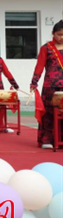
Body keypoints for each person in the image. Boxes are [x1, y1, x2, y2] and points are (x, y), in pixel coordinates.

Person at [31, 20, 63, 149]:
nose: (62, 37)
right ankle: (47, 139)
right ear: (53, 33)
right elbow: (39, 66)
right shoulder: (46, 48)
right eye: (59, 34)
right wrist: (34, 82)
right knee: (49, 113)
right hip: (50, 86)